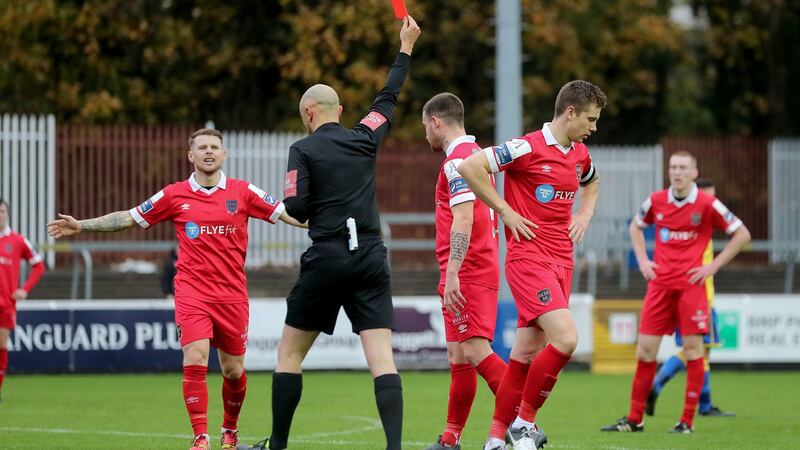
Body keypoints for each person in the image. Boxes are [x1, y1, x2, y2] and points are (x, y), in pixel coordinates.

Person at [47, 128, 305, 450]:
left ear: (224, 155)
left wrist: (332, 215)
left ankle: (230, 429)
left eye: (214, 147)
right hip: (192, 292)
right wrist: (82, 225)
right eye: (202, 147)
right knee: (194, 356)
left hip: (232, 295)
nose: (208, 152)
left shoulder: (244, 192)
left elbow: (290, 216)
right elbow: (129, 217)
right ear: (190, 156)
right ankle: (200, 437)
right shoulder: (173, 195)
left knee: (233, 370)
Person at [245, 16, 420, 450]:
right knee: (382, 359)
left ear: (308, 113)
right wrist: (406, 47)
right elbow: (388, 98)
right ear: (339, 111)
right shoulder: (364, 138)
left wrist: (293, 207)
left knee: (288, 355)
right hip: (371, 258)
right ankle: (395, 449)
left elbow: (299, 206)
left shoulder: (302, 149)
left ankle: (278, 446)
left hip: (327, 258)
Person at [458, 80, 606, 450]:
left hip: (562, 261)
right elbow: (471, 166)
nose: (593, 127)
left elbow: (593, 182)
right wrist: (505, 210)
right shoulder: (526, 147)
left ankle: (494, 440)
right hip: (529, 259)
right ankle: (524, 424)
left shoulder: (579, 155)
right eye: (590, 119)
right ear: (569, 113)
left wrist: (585, 214)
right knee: (567, 339)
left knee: (524, 352)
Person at [601, 152, 750, 434]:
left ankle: (686, 422)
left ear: (695, 172)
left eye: (683, 168)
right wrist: (644, 261)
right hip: (659, 286)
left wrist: (713, 266)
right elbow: (635, 226)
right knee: (645, 352)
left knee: (694, 351)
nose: (677, 172)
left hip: (691, 288)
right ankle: (635, 420)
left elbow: (742, 233)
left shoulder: (707, 203)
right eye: (673, 167)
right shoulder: (656, 200)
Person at [421, 93, 509, 450]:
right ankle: (450, 438)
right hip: (472, 266)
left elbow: (464, 216)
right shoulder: (475, 157)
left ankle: (523, 422)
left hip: (468, 270)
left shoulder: (457, 161)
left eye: (425, 125)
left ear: (436, 122)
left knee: (474, 351)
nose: (425, 133)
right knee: (459, 357)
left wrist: (453, 272)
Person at [646, 177, 735, 418]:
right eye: (710, 197)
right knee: (697, 351)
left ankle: (703, 403)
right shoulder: (699, 226)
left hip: (691, 292)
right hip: (700, 296)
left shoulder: (695, 223)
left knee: (700, 351)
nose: (713, 202)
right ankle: (661, 385)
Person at [0, 199, 46, 402]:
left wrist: (24, 289)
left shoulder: (18, 241)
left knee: (1, 344)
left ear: (7, 214)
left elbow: (39, 265)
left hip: (5, 304)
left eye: (2, 211)